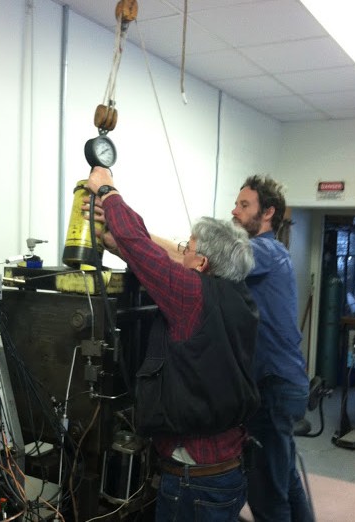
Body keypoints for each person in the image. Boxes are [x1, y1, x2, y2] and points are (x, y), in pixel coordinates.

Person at [85, 167, 259, 522]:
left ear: (203, 263)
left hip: (195, 482)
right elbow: (155, 261)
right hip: (229, 467)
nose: (182, 255)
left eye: (188, 249)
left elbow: (145, 249)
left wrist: (107, 190)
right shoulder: (239, 298)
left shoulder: (193, 294)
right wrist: (121, 248)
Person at [231, 175, 313, 522]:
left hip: (273, 387)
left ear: (268, 213)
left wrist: (137, 238)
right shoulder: (271, 253)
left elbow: (205, 258)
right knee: (285, 479)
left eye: (243, 205)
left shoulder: (263, 251)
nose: (234, 211)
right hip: (281, 382)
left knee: (266, 492)